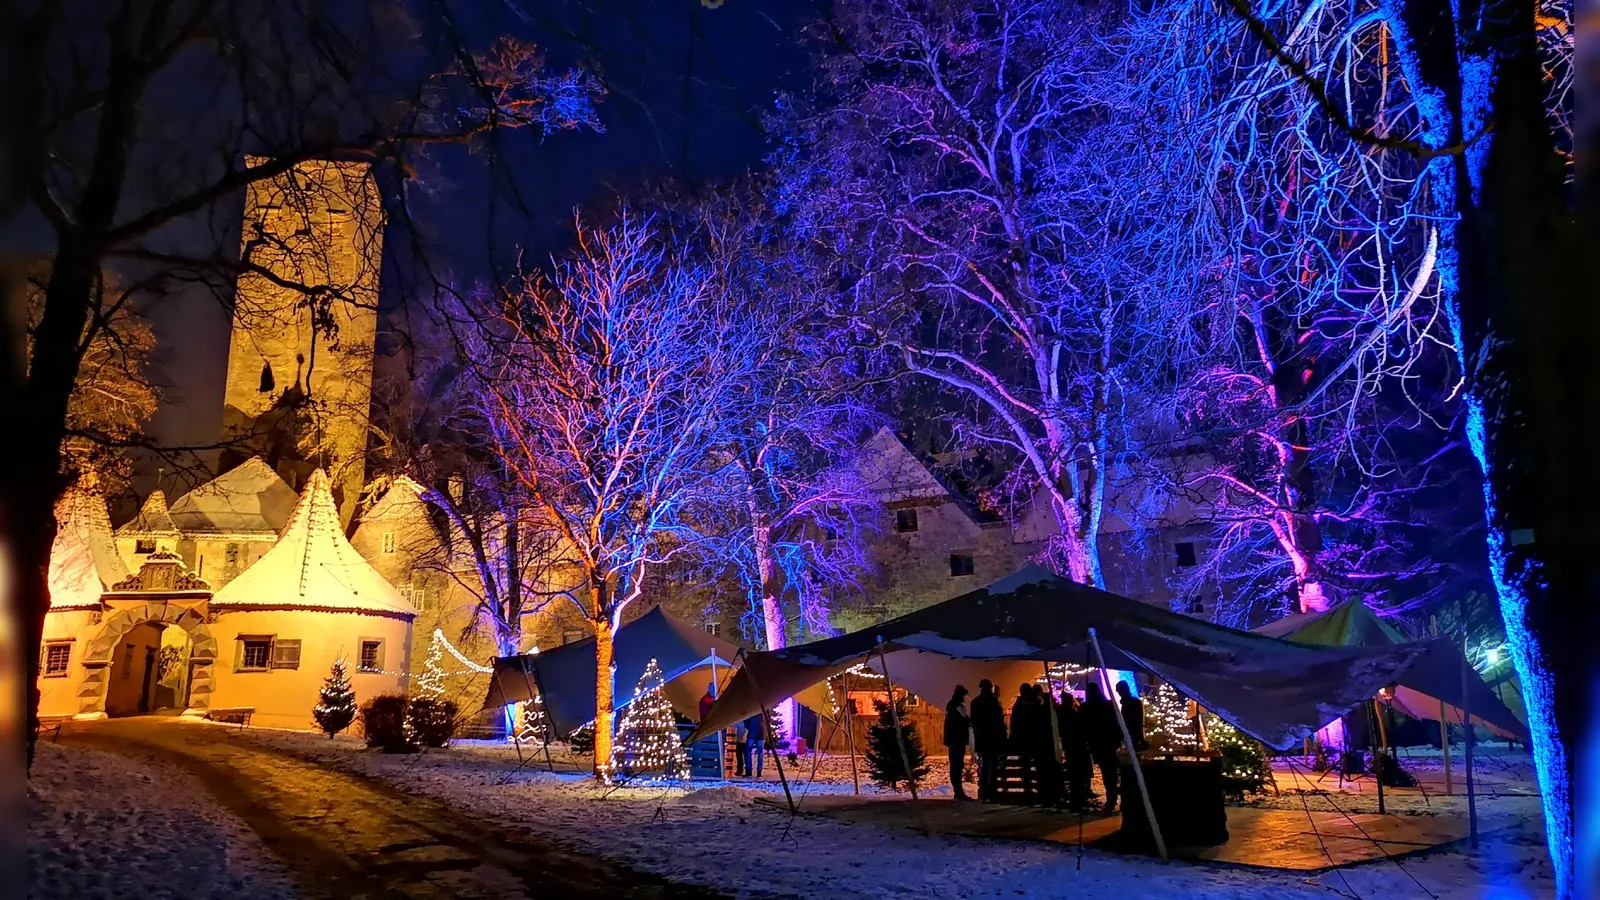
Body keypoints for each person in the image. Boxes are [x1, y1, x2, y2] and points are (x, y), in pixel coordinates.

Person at [1081, 683, 1122, 815]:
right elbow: (1117, 723)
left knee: (1107, 772)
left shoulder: (1087, 707)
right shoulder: (1108, 705)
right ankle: (1112, 797)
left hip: (1097, 744)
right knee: (1112, 772)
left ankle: (1111, 798)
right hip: (1109, 743)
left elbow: (1084, 726)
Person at [969, 679, 1007, 801]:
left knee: (985, 765)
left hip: (982, 738)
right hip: (993, 739)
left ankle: (984, 791)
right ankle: (990, 792)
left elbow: (974, 721)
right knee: (992, 766)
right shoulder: (994, 703)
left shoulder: (976, 702)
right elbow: (999, 723)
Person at [1055, 691, 1092, 810]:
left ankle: (1078, 792)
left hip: (1071, 744)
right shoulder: (1070, 713)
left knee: (1075, 770)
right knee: (1077, 771)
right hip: (1075, 745)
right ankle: (1078, 793)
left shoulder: (1062, 712)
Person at [1011, 684, 1041, 800]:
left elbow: (1014, 722)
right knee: (1036, 764)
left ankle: (1027, 787)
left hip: (1023, 739)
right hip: (1035, 738)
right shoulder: (1037, 703)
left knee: (1026, 765)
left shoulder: (1018, 705)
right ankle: (1036, 787)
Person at [943, 685, 973, 801]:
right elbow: (964, 721)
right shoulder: (956, 706)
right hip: (957, 740)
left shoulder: (952, 705)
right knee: (957, 765)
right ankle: (958, 791)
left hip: (954, 740)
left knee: (956, 765)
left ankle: (958, 791)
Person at [1116, 681, 1148, 753]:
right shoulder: (1133, 701)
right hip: (1133, 731)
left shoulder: (1129, 702)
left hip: (1132, 731)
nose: (1119, 694)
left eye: (1119, 691)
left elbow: (1131, 718)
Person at [742, 711, 766, 778]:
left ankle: (749, 772)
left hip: (752, 733)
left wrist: (748, 728)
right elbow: (768, 720)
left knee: (748, 752)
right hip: (762, 733)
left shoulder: (752, 709)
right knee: (760, 753)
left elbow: (746, 720)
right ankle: (759, 772)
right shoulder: (765, 709)